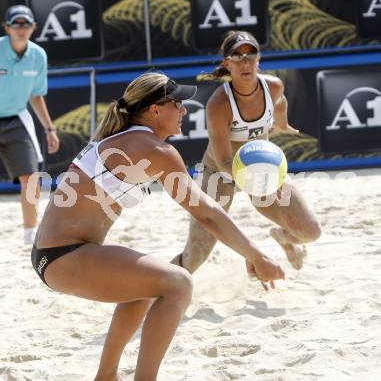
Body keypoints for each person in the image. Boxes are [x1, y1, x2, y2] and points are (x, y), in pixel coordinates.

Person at [31, 72, 284, 380]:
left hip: (59, 254)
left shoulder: (127, 139)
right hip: (64, 256)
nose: (184, 110)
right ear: (154, 110)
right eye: (177, 103)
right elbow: (207, 213)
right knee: (178, 283)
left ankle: (107, 376)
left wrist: (250, 252)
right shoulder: (151, 147)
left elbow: (207, 212)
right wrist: (257, 255)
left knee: (149, 284)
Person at [175, 31, 321, 276]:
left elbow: (281, 101)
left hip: (262, 168)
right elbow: (223, 159)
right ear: (227, 63)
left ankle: (281, 238)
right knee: (196, 255)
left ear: (258, 58)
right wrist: (252, 179)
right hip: (219, 173)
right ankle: (154, 296)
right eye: (237, 55)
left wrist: (282, 123)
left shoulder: (273, 86)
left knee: (310, 232)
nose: (245, 61)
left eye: (250, 54)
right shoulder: (219, 104)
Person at [0, 5, 60, 245]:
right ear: (7, 28)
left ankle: (29, 234)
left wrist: (49, 129)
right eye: (17, 24)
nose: (21, 28)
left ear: (34, 27)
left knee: (31, 178)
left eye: (26, 24)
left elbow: (36, 95)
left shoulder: (38, 56)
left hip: (16, 118)